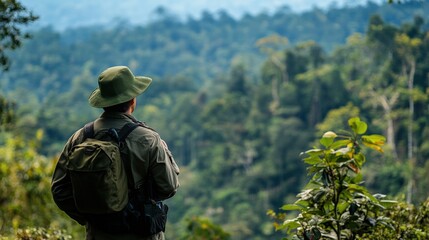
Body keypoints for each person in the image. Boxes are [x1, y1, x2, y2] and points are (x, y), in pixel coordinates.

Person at [51, 66, 180, 240]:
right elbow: (169, 187)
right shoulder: (148, 139)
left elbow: (59, 190)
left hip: (97, 234)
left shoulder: (80, 137)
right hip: (141, 233)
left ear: (103, 102)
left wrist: (91, 218)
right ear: (132, 100)